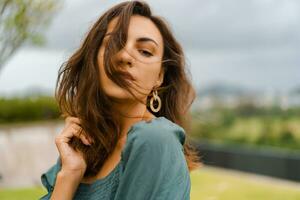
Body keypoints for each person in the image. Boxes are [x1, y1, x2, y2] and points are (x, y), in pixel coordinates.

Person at [40, 1, 202, 199]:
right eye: (113, 44)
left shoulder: (156, 140)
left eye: (145, 51)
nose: (125, 56)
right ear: (93, 60)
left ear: (160, 76)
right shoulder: (79, 152)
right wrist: (69, 175)